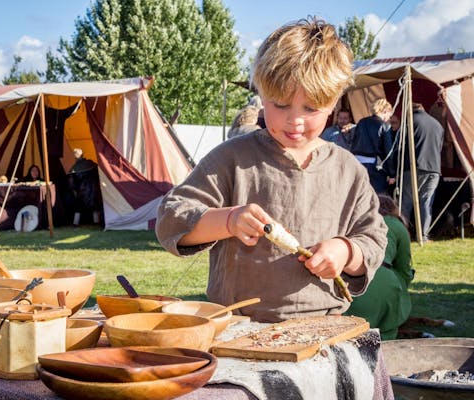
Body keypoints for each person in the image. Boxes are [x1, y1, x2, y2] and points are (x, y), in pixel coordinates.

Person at [156, 18, 387, 323]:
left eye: (311, 109)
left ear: (333, 102)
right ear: (261, 95)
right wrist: (228, 220)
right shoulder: (232, 158)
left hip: (324, 327)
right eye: (280, 105)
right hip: (240, 327)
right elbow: (172, 219)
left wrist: (346, 251)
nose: (295, 121)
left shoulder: (348, 170)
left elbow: (373, 237)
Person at [344, 194, 414, 340]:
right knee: (386, 341)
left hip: (347, 284)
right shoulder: (397, 225)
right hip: (384, 282)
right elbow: (404, 270)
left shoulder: (351, 219)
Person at [400, 103, 444, 242]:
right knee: (426, 202)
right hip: (434, 168)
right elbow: (440, 147)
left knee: (407, 201)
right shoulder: (437, 124)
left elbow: (401, 144)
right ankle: (423, 235)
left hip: (415, 167)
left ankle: (404, 234)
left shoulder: (410, 121)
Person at [350, 98, 394, 193]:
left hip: (357, 161)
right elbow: (388, 151)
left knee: (359, 193)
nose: (389, 118)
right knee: (378, 195)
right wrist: (392, 174)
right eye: (389, 115)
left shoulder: (361, 122)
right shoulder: (384, 126)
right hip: (374, 165)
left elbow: (353, 141)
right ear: (385, 111)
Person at [69, 148, 102, 225]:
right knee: (94, 206)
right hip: (93, 191)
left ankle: (75, 223)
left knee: (78, 208)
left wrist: (74, 190)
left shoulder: (74, 168)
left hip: (82, 192)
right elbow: (98, 174)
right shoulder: (91, 164)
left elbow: (71, 183)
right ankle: (96, 222)